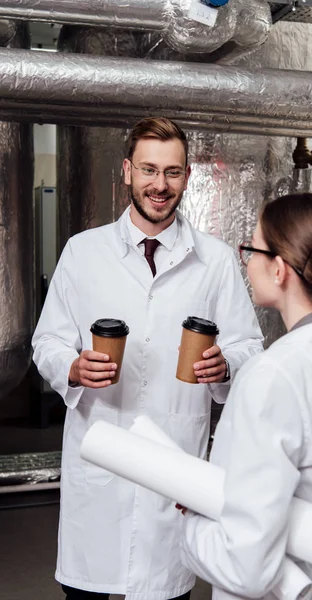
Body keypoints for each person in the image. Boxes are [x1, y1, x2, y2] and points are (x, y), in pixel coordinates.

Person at [32, 117, 263, 600]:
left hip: (172, 465)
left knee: (164, 591)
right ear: (127, 172)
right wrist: (71, 368)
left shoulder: (216, 259)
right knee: (87, 589)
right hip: (100, 464)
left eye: (173, 172)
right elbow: (47, 341)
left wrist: (226, 367)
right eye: (149, 170)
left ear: (187, 176)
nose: (160, 185)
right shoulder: (83, 252)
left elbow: (248, 347)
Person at [180, 192, 312, 600]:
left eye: (252, 249)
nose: (247, 261)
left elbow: (246, 569)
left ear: (279, 269)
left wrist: (189, 522)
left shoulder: (272, 374)